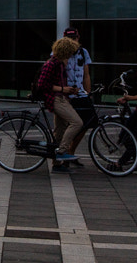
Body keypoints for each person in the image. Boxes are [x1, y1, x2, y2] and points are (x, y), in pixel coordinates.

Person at [34, 36, 84, 171]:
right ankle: (62, 151)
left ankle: (56, 165)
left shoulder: (60, 64)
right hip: (55, 99)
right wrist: (63, 89)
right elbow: (42, 84)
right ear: (65, 52)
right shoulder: (52, 64)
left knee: (60, 130)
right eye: (70, 52)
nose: (71, 55)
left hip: (61, 97)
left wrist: (70, 90)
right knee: (77, 122)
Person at [60, 27, 94, 165]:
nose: (73, 41)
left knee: (85, 124)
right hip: (66, 94)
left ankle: (71, 152)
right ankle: (63, 152)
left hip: (80, 94)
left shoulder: (83, 52)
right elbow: (58, 72)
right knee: (68, 125)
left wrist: (88, 93)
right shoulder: (61, 52)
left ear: (78, 38)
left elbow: (86, 74)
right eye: (70, 38)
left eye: (74, 38)